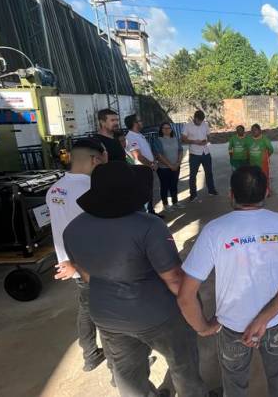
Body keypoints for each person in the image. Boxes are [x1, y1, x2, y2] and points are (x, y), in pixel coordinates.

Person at [63, 161, 209, 397]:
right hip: (157, 315)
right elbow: (174, 280)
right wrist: (197, 315)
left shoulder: (72, 229)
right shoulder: (149, 226)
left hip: (107, 315)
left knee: (127, 374)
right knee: (182, 365)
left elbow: (87, 275)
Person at [178, 166, 278, 397]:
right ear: (266, 192)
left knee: (234, 386)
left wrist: (203, 327)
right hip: (275, 322)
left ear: (231, 194)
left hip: (232, 325)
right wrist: (264, 319)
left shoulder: (214, 231)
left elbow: (186, 296)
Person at [46, 139, 108, 372]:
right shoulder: (91, 189)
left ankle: (90, 354)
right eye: (103, 158)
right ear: (94, 159)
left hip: (69, 262)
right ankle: (120, 365)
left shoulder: (54, 190)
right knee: (108, 312)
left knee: (87, 308)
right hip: (92, 264)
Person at [124, 114, 159, 216]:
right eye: (140, 120)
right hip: (141, 170)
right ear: (134, 123)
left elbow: (147, 151)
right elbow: (138, 156)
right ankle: (148, 217)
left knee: (150, 192)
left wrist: (154, 162)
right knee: (145, 194)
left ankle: (152, 213)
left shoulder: (139, 134)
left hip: (148, 168)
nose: (142, 122)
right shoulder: (130, 137)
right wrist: (152, 164)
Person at [182, 110, 218, 201]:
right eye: (199, 121)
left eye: (202, 121)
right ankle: (193, 194)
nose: (200, 122)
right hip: (194, 154)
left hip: (206, 152)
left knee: (209, 172)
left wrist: (207, 141)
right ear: (195, 118)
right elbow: (183, 139)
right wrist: (194, 141)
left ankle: (211, 190)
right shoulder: (187, 126)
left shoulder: (205, 124)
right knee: (193, 175)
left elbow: (209, 136)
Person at [152, 122, 184, 212]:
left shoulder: (176, 139)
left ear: (171, 129)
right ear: (161, 130)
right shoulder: (158, 140)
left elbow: (180, 151)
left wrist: (178, 163)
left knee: (174, 185)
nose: (167, 130)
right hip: (163, 168)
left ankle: (175, 202)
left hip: (176, 166)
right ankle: (165, 205)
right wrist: (170, 166)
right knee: (164, 186)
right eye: (164, 128)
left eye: (168, 128)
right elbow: (159, 155)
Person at [247, 124, 274, 196]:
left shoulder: (264, 139)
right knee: (255, 178)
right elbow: (247, 150)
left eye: (255, 130)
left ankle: (267, 191)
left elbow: (271, 150)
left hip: (263, 163)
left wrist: (266, 157)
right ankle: (257, 191)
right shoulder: (249, 139)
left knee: (264, 177)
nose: (253, 131)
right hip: (252, 163)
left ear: (259, 130)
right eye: (252, 130)